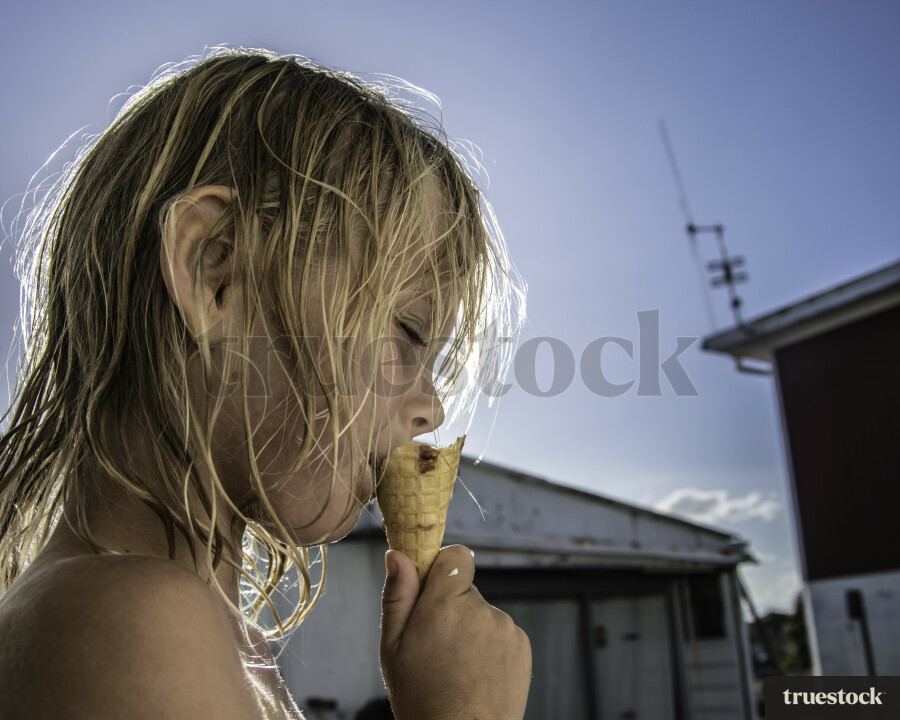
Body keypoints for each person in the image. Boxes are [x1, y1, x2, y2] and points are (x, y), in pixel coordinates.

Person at [0, 48, 530, 719]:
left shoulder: (225, 640)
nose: (432, 406)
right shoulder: (129, 621)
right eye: (407, 331)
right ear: (213, 272)